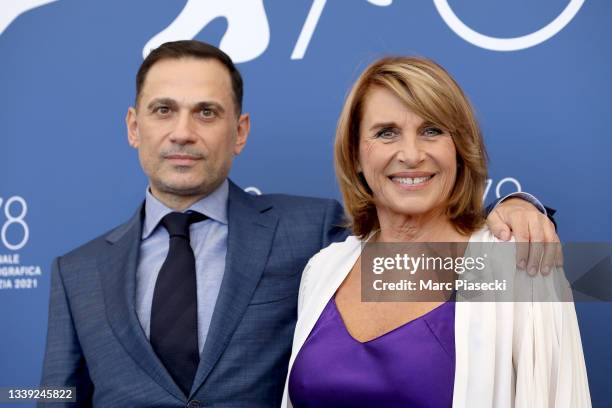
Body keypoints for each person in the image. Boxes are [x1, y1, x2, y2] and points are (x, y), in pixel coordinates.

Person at [41, 41, 559, 407]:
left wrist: (517, 207)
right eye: (162, 111)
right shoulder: (77, 273)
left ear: (239, 131)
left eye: (206, 112)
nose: (182, 132)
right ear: (134, 126)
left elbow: (423, 229)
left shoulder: (311, 235)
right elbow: (57, 397)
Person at [282, 57, 590, 407]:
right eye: (386, 132)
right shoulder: (324, 268)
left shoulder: (520, 263)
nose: (411, 155)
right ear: (354, 154)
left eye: (432, 130)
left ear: (459, 148)